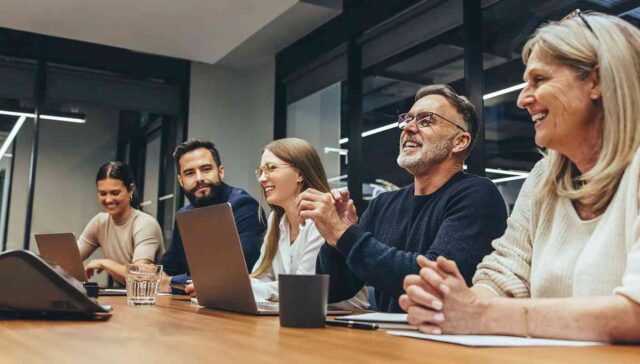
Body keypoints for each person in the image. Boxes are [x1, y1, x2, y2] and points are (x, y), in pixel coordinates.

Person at [400, 11, 640, 342]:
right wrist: (454, 302)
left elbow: (635, 313)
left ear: (596, 81)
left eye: (539, 80)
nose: (522, 99)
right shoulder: (544, 178)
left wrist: (479, 313)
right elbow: (503, 274)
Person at [297, 84, 508, 312]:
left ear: (459, 141)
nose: (408, 127)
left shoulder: (477, 194)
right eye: (407, 119)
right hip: (389, 340)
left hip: (442, 341)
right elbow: (335, 290)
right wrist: (334, 240)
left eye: (426, 120)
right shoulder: (384, 204)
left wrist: (344, 233)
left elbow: (431, 283)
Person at [185, 138, 368, 308]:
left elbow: (302, 287)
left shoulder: (325, 214)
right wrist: (220, 286)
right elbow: (262, 276)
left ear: (300, 174)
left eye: (271, 168)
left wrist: (227, 289)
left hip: (344, 320)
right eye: (261, 171)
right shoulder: (276, 220)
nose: (262, 178)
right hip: (299, 314)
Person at [160, 139, 266, 288]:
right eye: (190, 173)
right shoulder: (184, 215)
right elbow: (168, 268)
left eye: (206, 169)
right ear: (181, 181)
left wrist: (172, 281)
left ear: (220, 172)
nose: (199, 178)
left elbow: (237, 272)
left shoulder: (244, 206)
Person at [79, 161, 164, 284]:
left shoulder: (145, 223)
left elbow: (139, 275)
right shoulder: (99, 222)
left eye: (115, 193)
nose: (108, 199)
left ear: (131, 190)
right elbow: (70, 259)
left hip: (153, 298)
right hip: (122, 296)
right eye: (102, 193)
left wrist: (104, 263)